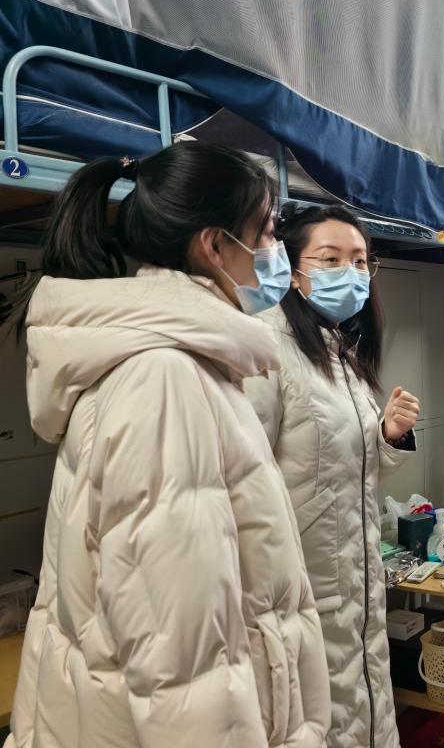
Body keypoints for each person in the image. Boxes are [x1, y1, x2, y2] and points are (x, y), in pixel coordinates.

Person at [1, 142, 330, 748]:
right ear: (214, 247)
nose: (275, 250)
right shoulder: (164, 381)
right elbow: (184, 673)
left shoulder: (181, 365)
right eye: (265, 232)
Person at [244, 203, 419, 748]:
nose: (352, 271)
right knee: (317, 717)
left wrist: (388, 435)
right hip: (302, 583)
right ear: (294, 269)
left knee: (363, 703)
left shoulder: (341, 351)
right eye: (331, 258)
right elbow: (241, 482)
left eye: (361, 261)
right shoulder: (266, 348)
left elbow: (348, 471)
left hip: (356, 581)